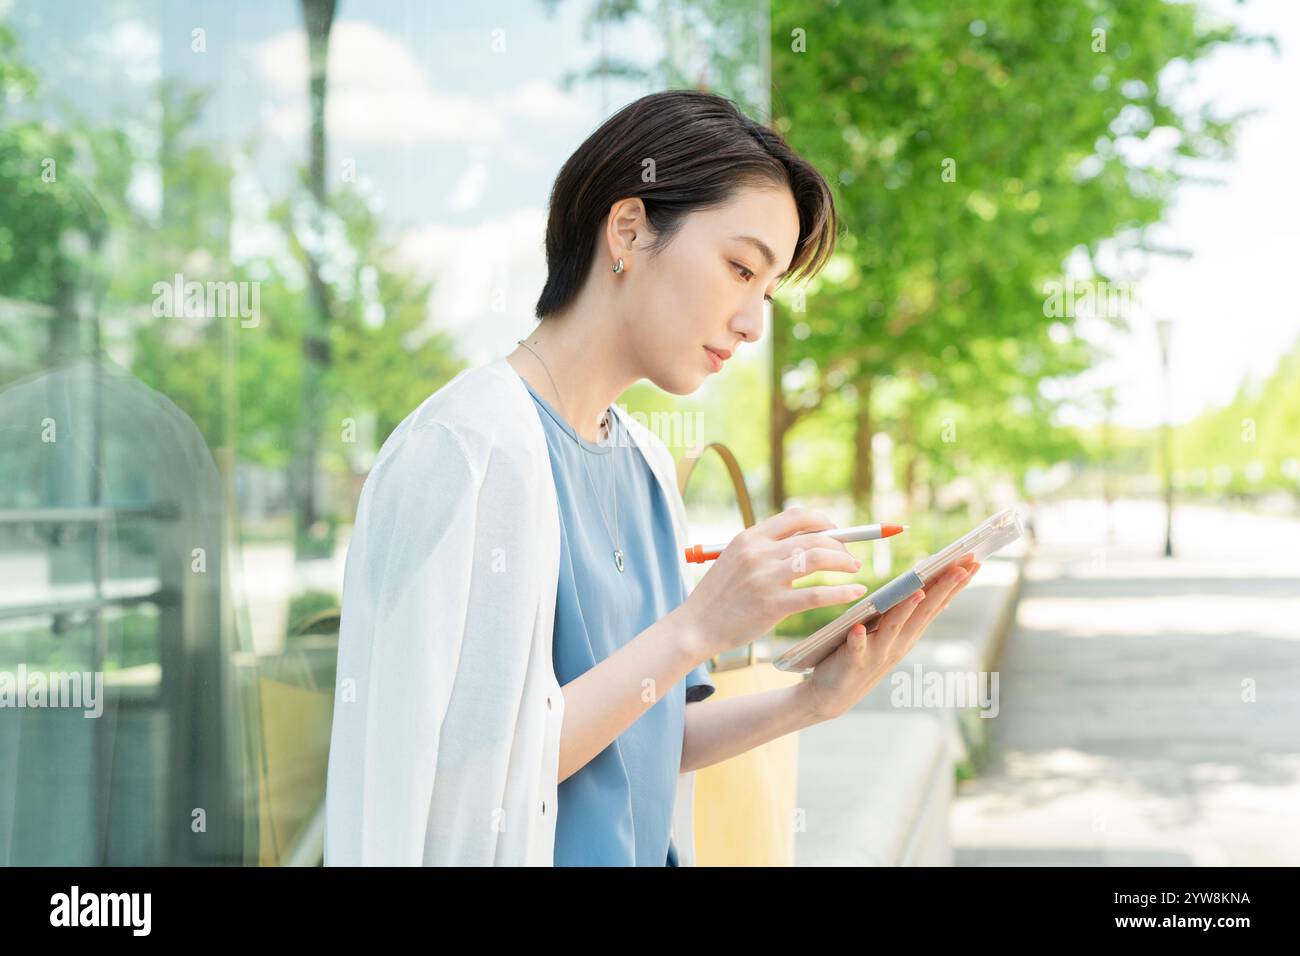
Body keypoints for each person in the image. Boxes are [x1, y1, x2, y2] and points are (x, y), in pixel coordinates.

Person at [324, 88, 978, 867]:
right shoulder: (467, 449)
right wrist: (698, 625)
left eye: (766, 290)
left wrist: (813, 701)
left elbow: (646, 736)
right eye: (741, 268)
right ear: (628, 229)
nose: (753, 321)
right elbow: (456, 780)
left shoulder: (643, 463)